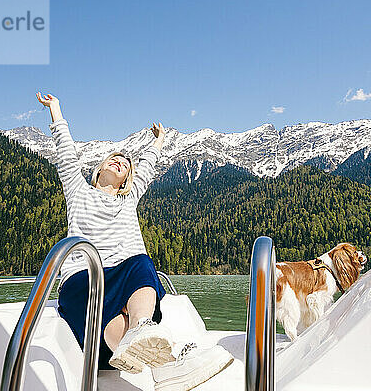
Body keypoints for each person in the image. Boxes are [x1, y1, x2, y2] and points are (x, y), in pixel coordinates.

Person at [36, 92, 233, 390]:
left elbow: (149, 166)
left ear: (128, 179)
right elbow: (65, 153)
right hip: (83, 280)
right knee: (108, 310)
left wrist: (158, 142)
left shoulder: (128, 201)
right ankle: (166, 365)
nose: (120, 162)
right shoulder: (78, 192)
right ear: (99, 169)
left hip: (123, 277)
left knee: (141, 263)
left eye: (126, 164)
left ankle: (143, 332)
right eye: (114, 159)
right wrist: (56, 111)